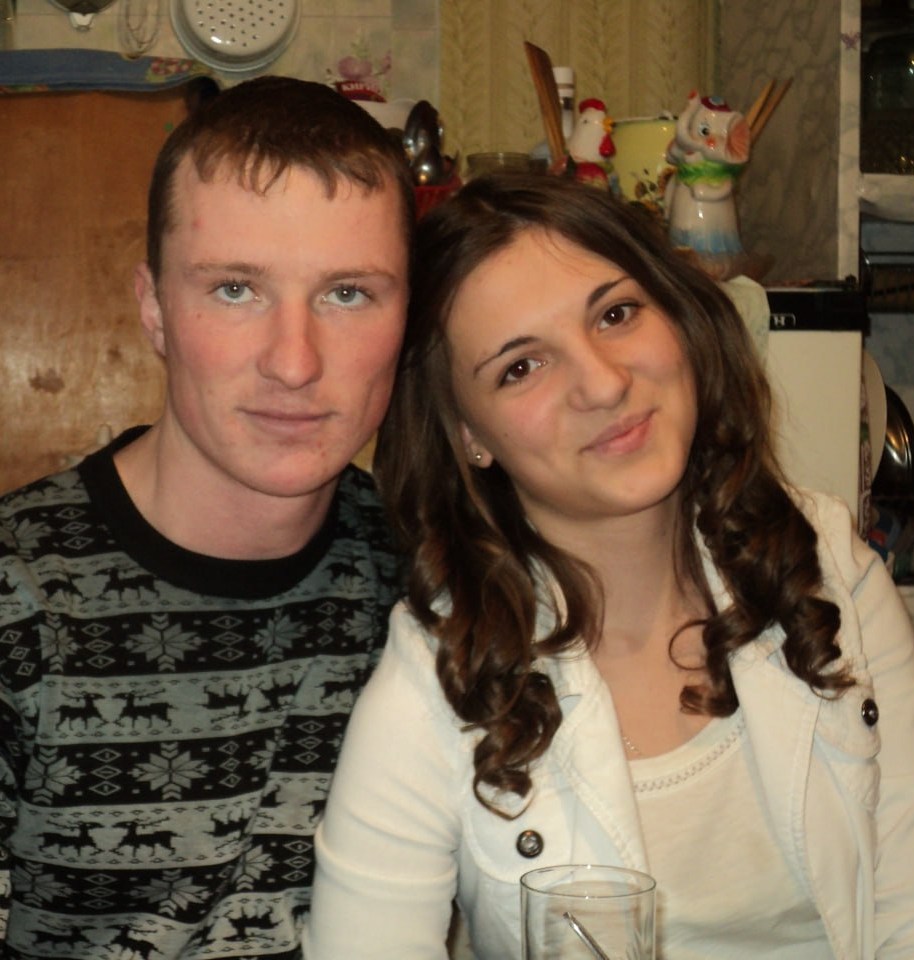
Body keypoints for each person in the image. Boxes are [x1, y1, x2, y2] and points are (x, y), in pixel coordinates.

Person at [306, 173, 914, 959]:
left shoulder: (828, 569)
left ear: (680, 318)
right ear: (468, 437)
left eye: (616, 314)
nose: (603, 382)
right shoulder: (437, 681)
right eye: (521, 367)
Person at [0, 75, 413, 959]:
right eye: (235, 289)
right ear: (154, 309)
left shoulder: (432, 578)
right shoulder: (15, 596)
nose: (294, 363)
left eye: (347, 293)